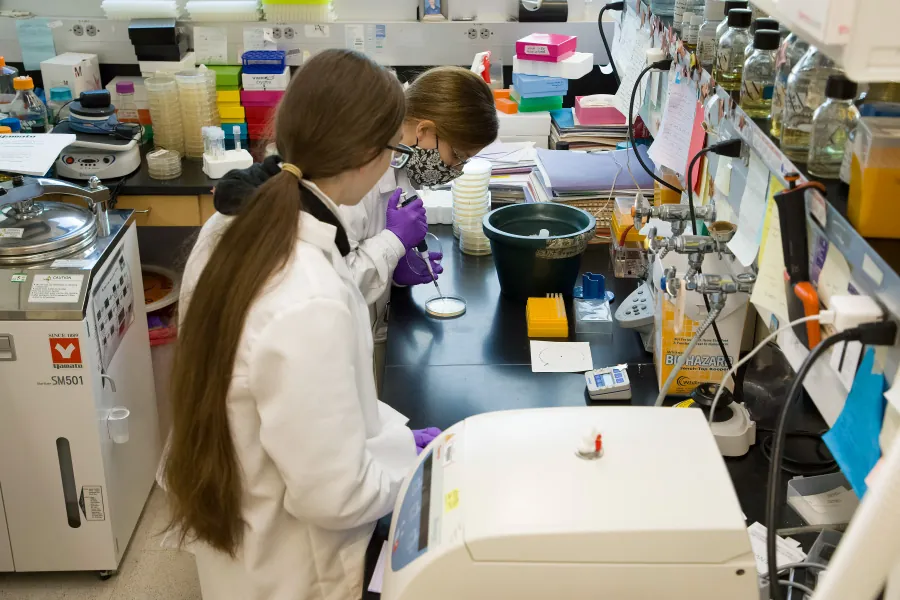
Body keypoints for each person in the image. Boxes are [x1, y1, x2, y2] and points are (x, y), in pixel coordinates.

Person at [162, 49, 440, 600]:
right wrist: (407, 466)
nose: (391, 164)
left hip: (242, 514)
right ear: (365, 153)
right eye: (391, 150)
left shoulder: (231, 226)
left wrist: (389, 438)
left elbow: (298, 397)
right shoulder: (308, 294)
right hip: (291, 561)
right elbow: (336, 497)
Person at [212, 67, 499, 330]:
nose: (457, 170)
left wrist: (396, 268)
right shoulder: (350, 180)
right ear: (423, 131)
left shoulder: (400, 164)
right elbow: (333, 282)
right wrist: (392, 242)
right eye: (458, 156)